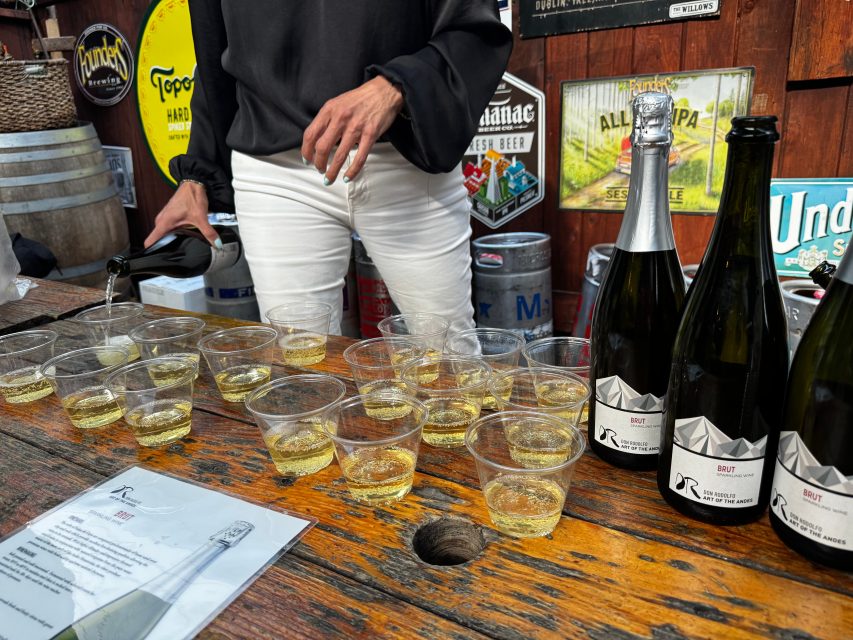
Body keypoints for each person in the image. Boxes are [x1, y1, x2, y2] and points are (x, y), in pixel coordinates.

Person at [145, 1, 513, 334]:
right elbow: (213, 46)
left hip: (403, 154)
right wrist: (198, 172)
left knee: (450, 360)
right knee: (301, 367)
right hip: (277, 171)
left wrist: (395, 86)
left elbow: (473, 26)